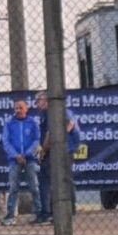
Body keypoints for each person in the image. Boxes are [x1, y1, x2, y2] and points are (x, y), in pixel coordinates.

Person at [33, 92, 80, 227]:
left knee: (64, 179)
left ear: (47, 100)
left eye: (39, 100)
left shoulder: (61, 111)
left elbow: (69, 125)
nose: (37, 104)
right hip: (50, 151)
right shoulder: (45, 115)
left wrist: (50, 144)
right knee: (47, 179)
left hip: (63, 150)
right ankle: (49, 212)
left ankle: (67, 211)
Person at [0, 96, 40, 227]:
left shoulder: (33, 123)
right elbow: (6, 142)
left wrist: (27, 153)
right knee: (13, 188)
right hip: (14, 160)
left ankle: (38, 213)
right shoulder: (9, 123)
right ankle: (11, 215)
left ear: (26, 109)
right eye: (16, 108)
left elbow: (36, 140)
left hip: (30, 159)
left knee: (34, 186)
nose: (18, 110)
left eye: (21, 108)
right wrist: (16, 155)